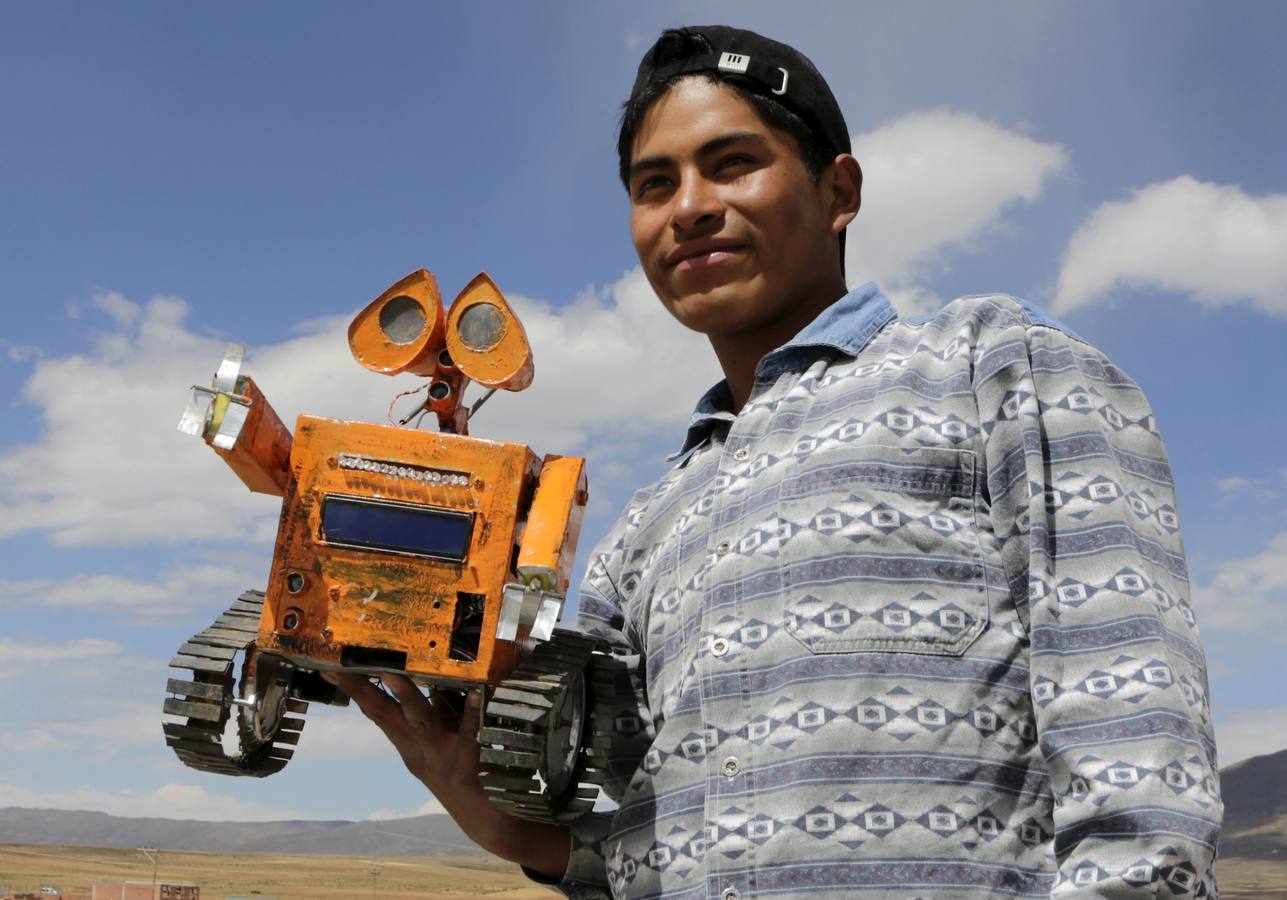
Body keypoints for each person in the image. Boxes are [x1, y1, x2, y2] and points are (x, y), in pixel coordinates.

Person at [329, 25, 1222, 899]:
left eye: (731, 164)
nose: (688, 207)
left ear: (838, 190)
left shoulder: (987, 364)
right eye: (653, 183)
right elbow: (658, 845)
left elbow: (1137, 765)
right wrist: (513, 833)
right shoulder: (650, 522)